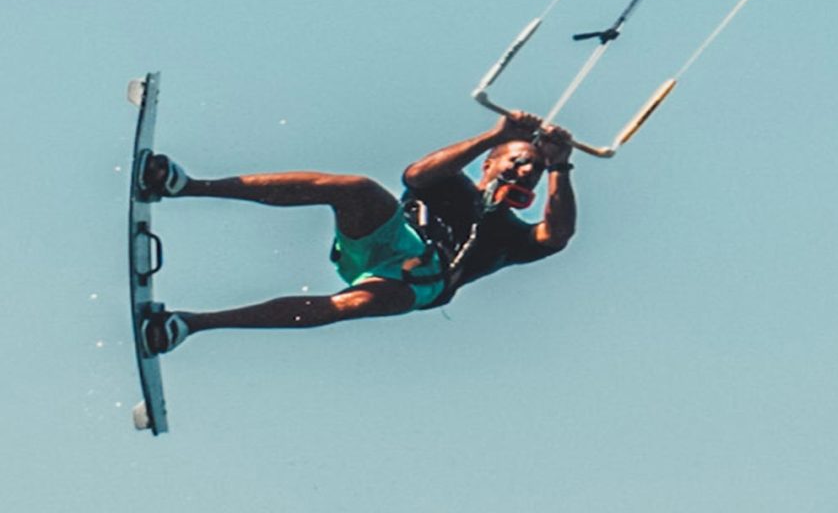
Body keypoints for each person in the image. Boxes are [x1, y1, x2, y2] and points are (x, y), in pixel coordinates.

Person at [138, 111, 577, 355]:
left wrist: (559, 165)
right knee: (355, 188)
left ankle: (188, 326)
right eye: (517, 161)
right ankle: (183, 186)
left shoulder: (511, 237)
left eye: (533, 171)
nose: (524, 170)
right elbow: (417, 174)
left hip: (420, 284)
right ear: (490, 165)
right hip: (387, 238)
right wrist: (495, 136)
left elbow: (555, 237)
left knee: (347, 306)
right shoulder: (453, 184)